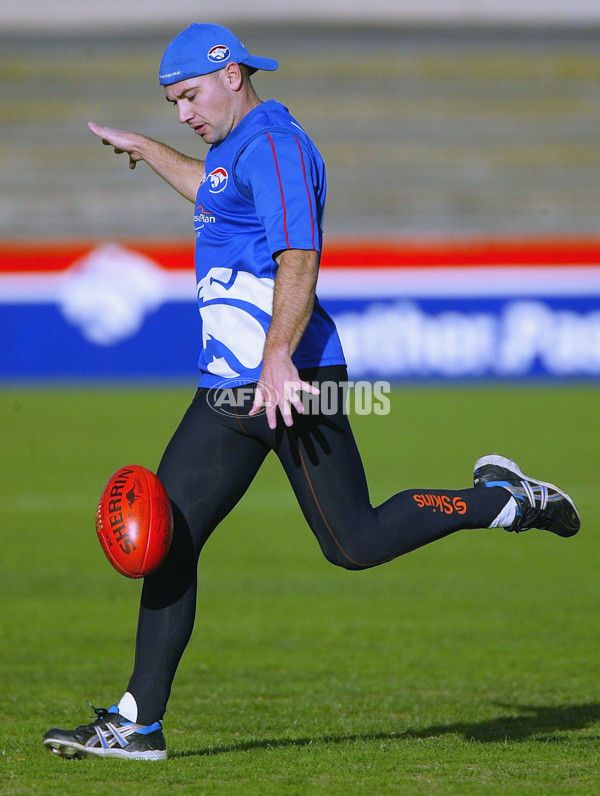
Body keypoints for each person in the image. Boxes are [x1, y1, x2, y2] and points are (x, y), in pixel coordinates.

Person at [43, 23, 580, 761]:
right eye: (172, 104)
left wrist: (277, 359)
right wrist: (146, 149)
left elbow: (300, 256)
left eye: (189, 97)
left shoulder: (276, 145)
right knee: (169, 538)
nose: (183, 115)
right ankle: (139, 722)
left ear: (231, 74)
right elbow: (213, 191)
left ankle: (503, 499)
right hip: (232, 388)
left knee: (352, 544)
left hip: (293, 379)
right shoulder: (234, 150)